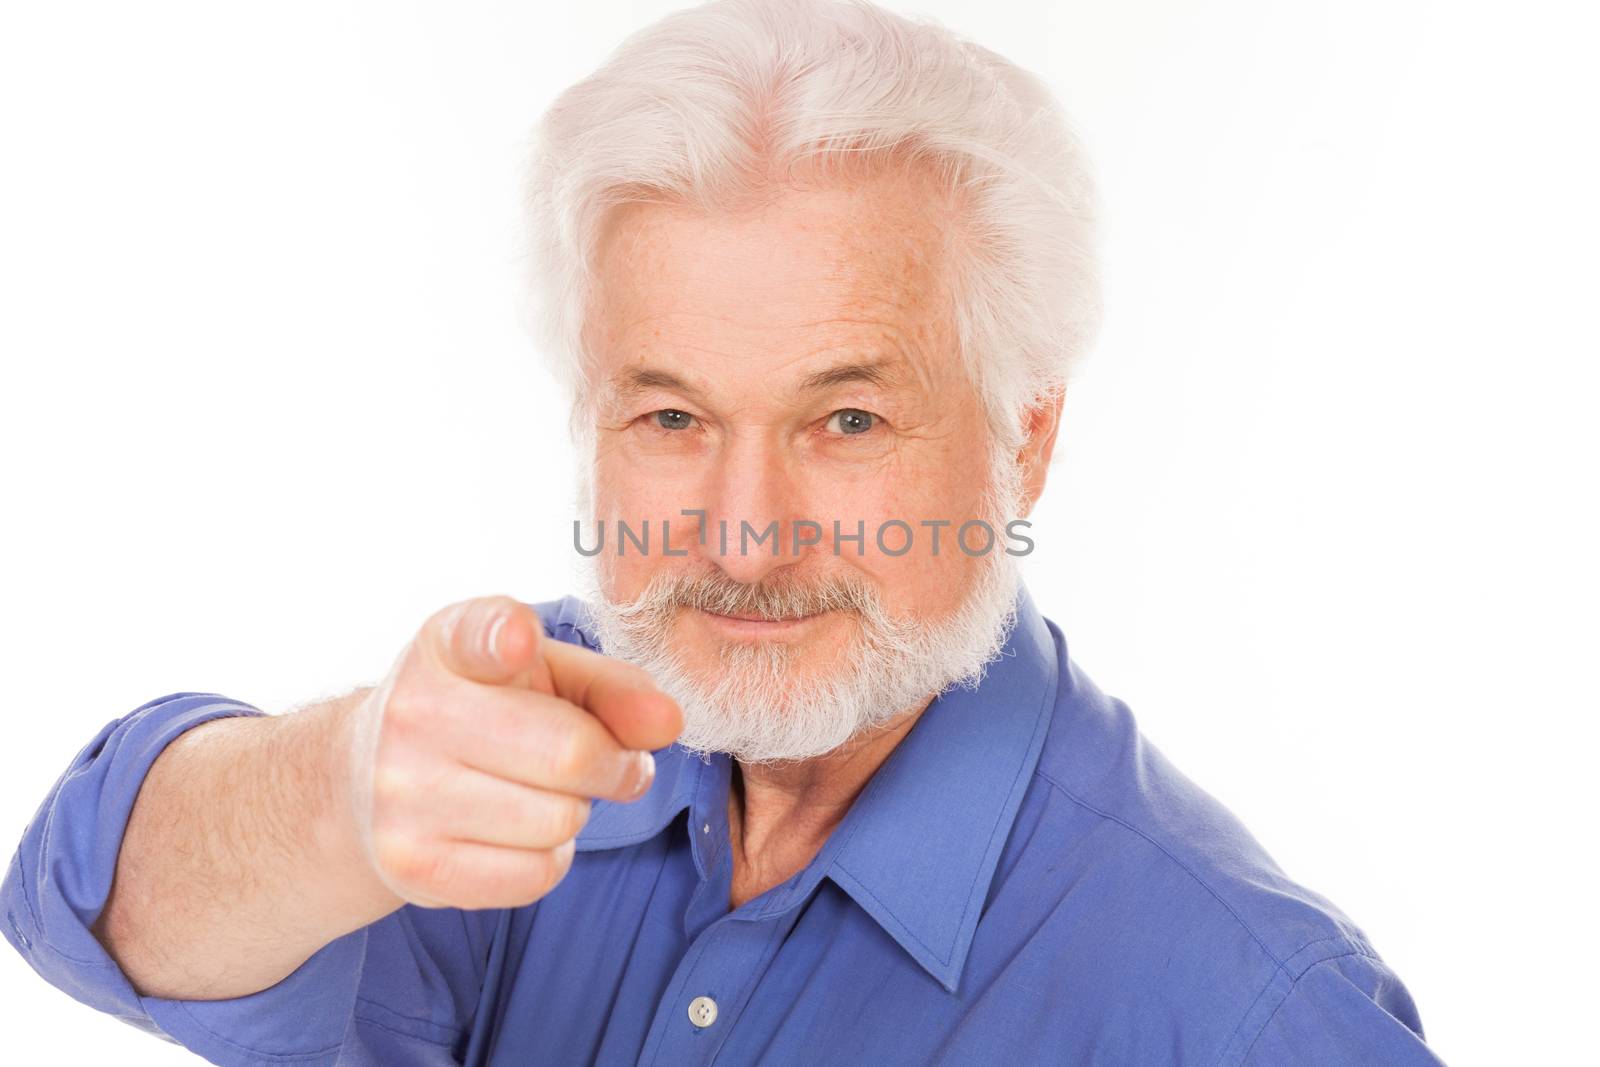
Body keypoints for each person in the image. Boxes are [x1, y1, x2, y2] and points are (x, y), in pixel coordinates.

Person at [2, 1, 1448, 1063]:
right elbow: (84, 902)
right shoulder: (513, 761)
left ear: (1028, 438)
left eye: (849, 423)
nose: (745, 542)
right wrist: (338, 790)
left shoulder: (1255, 1011)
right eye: (672, 420)